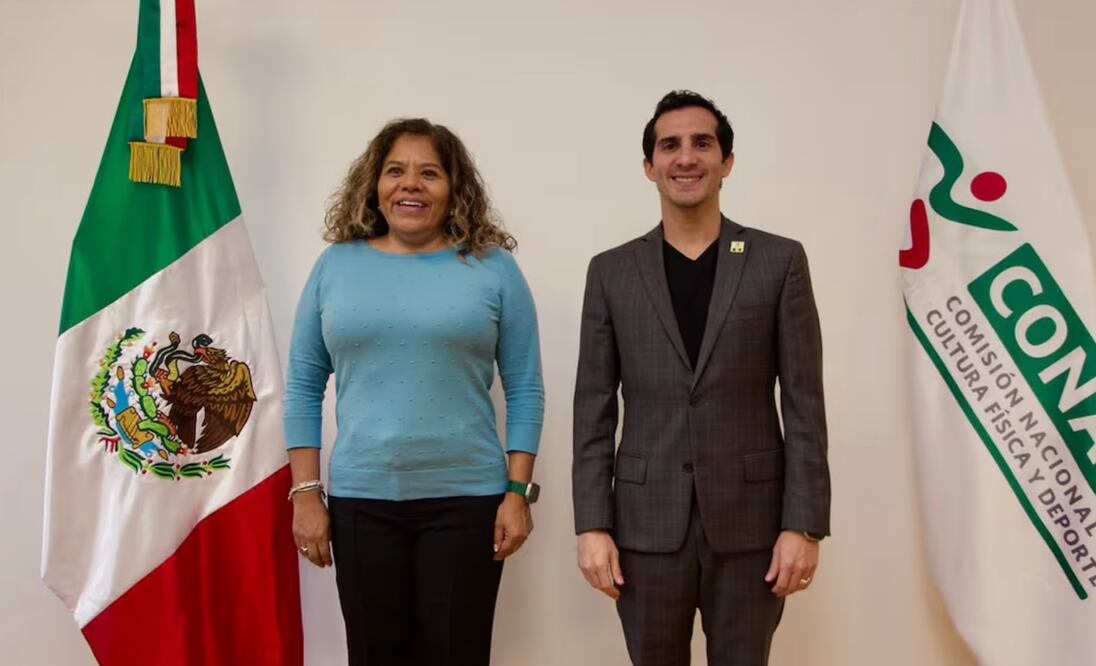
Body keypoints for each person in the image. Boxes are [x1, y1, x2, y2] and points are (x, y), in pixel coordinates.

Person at [572, 90, 831, 665]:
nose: (685, 157)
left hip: (753, 529)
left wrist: (804, 525)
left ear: (727, 161)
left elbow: (804, 403)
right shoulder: (611, 272)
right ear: (649, 167)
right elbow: (593, 408)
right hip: (643, 529)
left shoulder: (779, 261)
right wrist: (592, 525)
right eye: (670, 145)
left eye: (702, 143)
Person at [284, 118, 544, 666]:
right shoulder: (336, 265)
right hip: (362, 503)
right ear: (374, 185)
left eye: (430, 173)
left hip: (467, 504)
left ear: (455, 189)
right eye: (396, 171)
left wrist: (517, 495)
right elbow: (304, 385)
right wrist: (305, 493)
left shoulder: (493, 269)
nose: (411, 185)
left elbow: (525, 389)